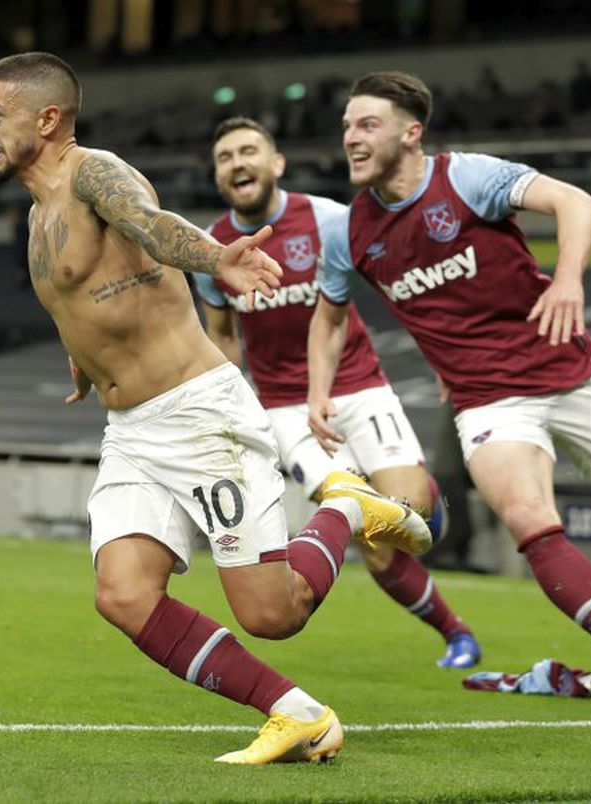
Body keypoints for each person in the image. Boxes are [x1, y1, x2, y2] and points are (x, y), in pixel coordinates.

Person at [0, 52, 431, 765]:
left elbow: (152, 225)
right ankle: (297, 714)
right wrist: (85, 358)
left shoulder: (96, 172)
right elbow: (86, 295)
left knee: (273, 614)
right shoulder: (38, 215)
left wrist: (218, 258)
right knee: (123, 595)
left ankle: (345, 506)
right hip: (131, 431)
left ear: (48, 117)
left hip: (200, 415)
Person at [309, 70, 591, 718]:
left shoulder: (466, 178)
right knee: (527, 517)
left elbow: (577, 202)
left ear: (411, 133)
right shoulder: (347, 232)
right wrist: (318, 391)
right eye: (347, 125)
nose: (351, 137)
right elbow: (328, 317)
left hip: (565, 370)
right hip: (487, 401)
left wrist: (567, 281)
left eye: (367, 124)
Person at [196, 116, 480, 669]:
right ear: (218, 176)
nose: (237, 163)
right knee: (369, 532)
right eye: (225, 157)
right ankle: (456, 633)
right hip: (286, 408)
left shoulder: (329, 219)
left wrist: (445, 355)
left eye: (248, 151)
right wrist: (224, 412)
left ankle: (427, 502)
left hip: (358, 385)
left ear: (276, 163)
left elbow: (400, 285)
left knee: (411, 514)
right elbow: (223, 336)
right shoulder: (213, 249)